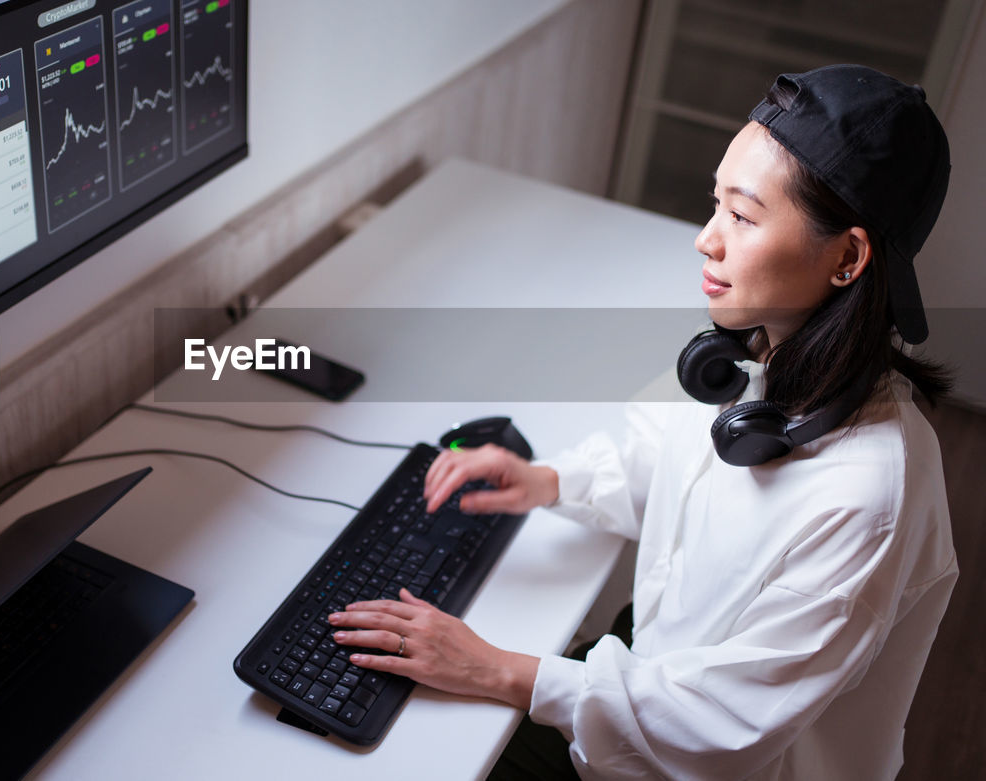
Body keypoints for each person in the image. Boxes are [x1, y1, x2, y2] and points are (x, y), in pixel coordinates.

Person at [327, 65, 959, 779]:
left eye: (743, 217)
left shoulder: (869, 494)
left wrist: (499, 669)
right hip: (650, 675)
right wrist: (545, 479)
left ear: (847, 257)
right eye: (715, 203)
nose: (706, 239)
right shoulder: (757, 349)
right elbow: (668, 458)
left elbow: (720, 727)